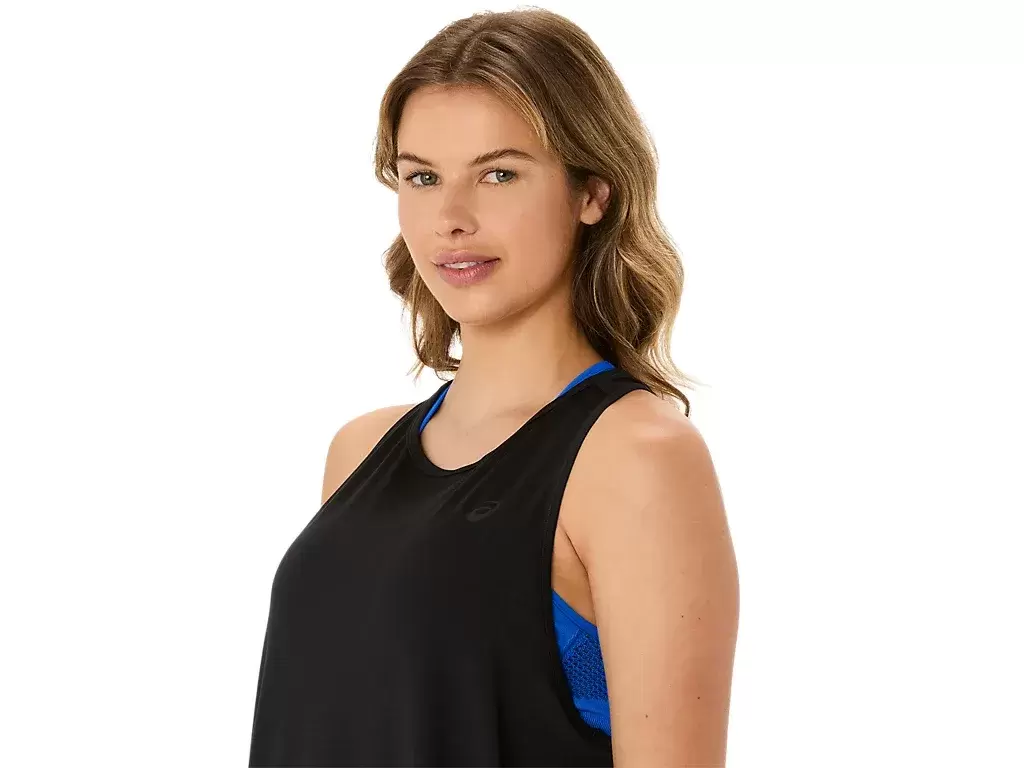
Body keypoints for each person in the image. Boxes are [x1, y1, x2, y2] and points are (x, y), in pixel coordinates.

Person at [249, 8, 739, 767]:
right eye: (422, 177)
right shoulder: (359, 452)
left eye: (499, 173)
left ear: (592, 192)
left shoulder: (636, 457)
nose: (451, 218)